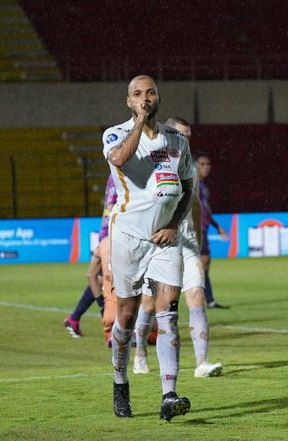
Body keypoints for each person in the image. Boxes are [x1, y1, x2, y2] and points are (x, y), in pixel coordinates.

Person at [103, 75, 194, 421]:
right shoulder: (115, 133)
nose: (146, 97)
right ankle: (120, 380)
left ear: (159, 97)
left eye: (151, 92)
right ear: (129, 102)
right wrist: (140, 122)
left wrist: (173, 225)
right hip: (128, 236)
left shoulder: (177, 141)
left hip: (165, 239)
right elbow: (120, 159)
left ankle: (169, 395)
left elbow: (187, 188)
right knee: (125, 315)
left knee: (169, 310)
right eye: (138, 94)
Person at [132, 116, 223, 379]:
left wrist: (198, 240)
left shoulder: (190, 166)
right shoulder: (154, 161)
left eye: (189, 136)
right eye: (182, 135)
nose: (187, 140)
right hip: (159, 242)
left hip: (187, 242)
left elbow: (194, 203)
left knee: (196, 296)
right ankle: (139, 353)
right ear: (169, 133)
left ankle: (201, 363)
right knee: (149, 305)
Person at [63, 175, 117, 338]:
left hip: (106, 232)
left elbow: (107, 207)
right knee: (103, 278)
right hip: (112, 234)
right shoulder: (120, 176)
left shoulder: (112, 176)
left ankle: (75, 318)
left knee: (99, 277)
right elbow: (112, 206)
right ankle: (105, 313)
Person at [197, 153, 230, 309]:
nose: (206, 167)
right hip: (192, 230)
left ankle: (209, 300)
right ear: (195, 166)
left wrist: (217, 227)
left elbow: (205, 210)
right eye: (202, 164)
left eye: (208, 164)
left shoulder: (203, 186)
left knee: (205, 264)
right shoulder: (192, 184)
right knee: (198, 264)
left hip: (203, 229)